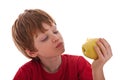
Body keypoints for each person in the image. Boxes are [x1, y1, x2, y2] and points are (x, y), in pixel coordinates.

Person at [12, 9, 112, 80]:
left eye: (55, 31)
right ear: (32, 52)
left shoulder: (78, 64)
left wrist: (97, 69)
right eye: (45, 38)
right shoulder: (26, 74)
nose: (56, 38)